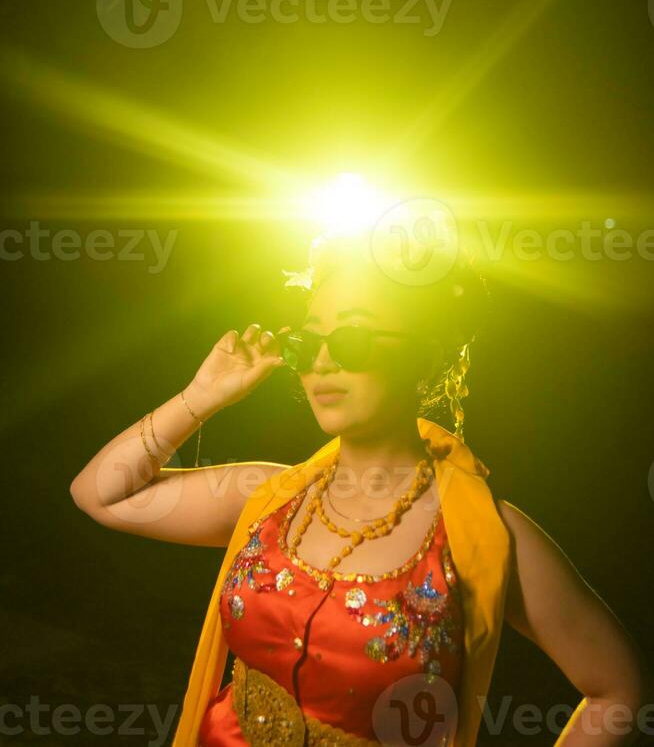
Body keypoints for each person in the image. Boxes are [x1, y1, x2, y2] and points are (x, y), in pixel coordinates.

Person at [70, 228, 651, 746]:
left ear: (423, 354)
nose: (321, 364)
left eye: (351, 341)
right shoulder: (268, 497)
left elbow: (617, 690)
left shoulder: (483, 539)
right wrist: (201, 397)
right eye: (306, 342)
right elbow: (101, 494)